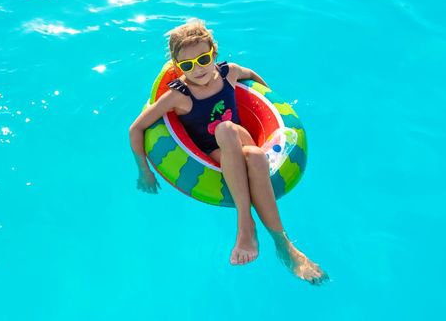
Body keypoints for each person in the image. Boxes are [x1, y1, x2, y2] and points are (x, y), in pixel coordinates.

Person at [128, 19, 328, 285]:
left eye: (203, 59)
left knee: (227, 129)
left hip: (240, 136)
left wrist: (274, 105)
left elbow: (255, 80)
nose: (197, 68)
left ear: (214, 52)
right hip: (216, 152)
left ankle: (246, 226)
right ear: (177, 67)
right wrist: (144, 170)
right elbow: (136, 129)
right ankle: (284, 245)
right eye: (187, 65)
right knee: (254, 155)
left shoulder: (228, 73)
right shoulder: (178, 97)